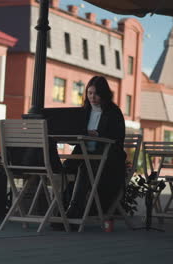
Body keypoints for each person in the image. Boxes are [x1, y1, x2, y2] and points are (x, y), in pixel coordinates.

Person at [61, 75, 127, 222]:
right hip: (84, 155)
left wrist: (96, 134)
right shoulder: (84, 111)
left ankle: (73, 214)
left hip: (108, 159)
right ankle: (60, 210)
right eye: (89, 93)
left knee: (85, 168)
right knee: (63, 168)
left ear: (104, 94)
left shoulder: (113, 112)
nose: (92, 97)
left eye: (96, 94)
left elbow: (116, 138)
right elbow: (76, 138)